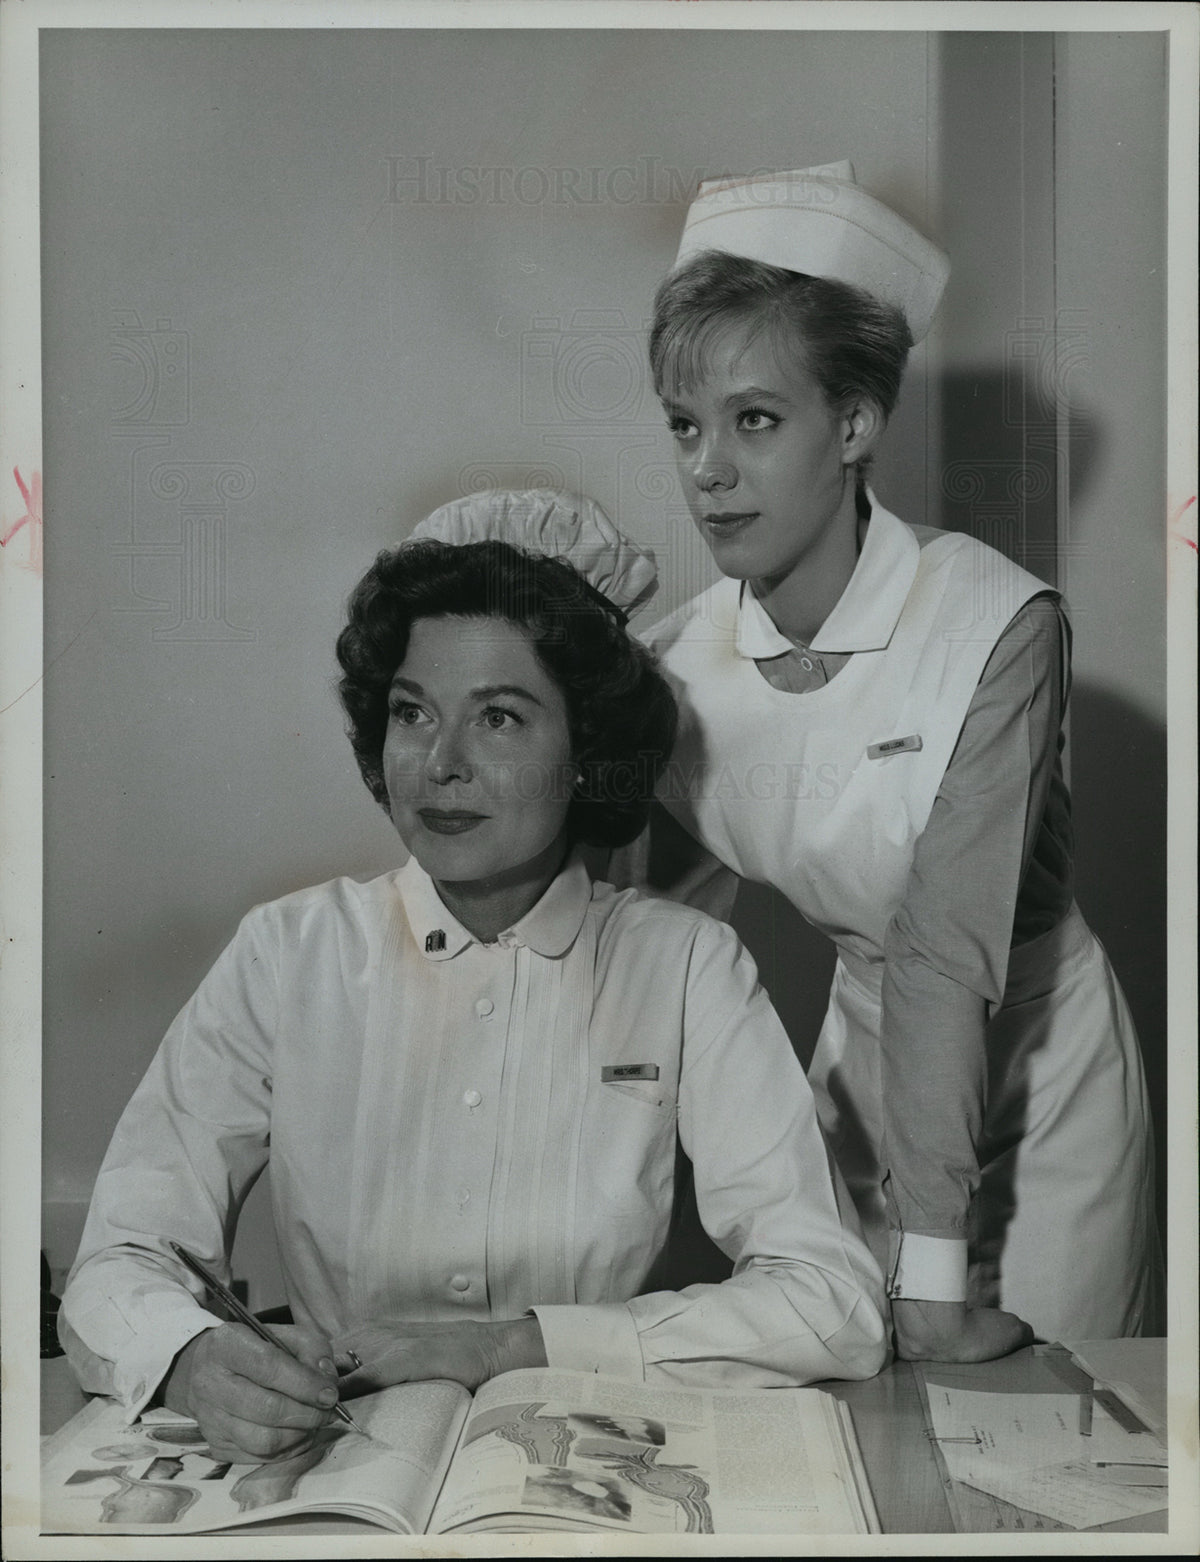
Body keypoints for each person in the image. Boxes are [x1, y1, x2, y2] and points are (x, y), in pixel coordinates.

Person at [59, 491, 887, 1465]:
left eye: (499, 715)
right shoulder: (287, 953)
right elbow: (116, 1255)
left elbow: (833, 1298)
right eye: (413, 711)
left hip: (588, 1471)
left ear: (587, 752)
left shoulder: (686, 963)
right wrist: (190, 1354)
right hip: (337, 1475)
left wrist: (514, 1344)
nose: (440, 762)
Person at [621, 162, 1161, 1363]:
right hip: (862, 1077)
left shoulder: (993, 622)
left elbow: (939, 950)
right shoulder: (676, 668)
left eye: (755, 420)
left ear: (857, 423)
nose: (708, 468)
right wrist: (572, 677)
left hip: (1038, 1069)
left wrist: (934, 1276)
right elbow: (625, 924)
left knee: (1034, 1463)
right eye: (684, 423)